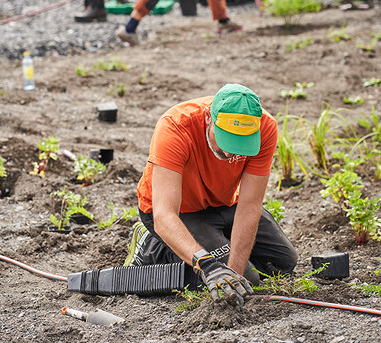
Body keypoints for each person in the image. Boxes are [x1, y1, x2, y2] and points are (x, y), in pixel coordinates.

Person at [124, 83, 297, 306]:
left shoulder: (265, 127)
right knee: (248, 278)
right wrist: (208, 265)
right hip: (177, 212)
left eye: (240, 144)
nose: (229, 152)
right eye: (225, 139)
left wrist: (232, 277)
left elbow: (250, 204)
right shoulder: (175, 127)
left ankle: (203, 249)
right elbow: (165, 214)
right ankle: (153, 247)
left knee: (282, 263)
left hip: (223, 202)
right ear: (209, 118)